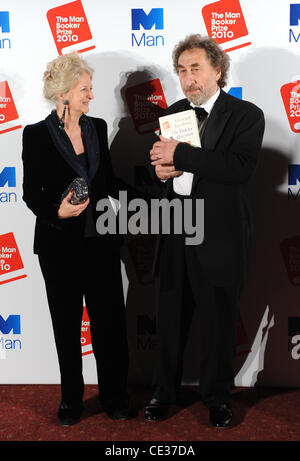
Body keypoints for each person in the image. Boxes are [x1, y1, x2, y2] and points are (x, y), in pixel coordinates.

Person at [144, 34, 265, 428]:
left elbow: (237, 169)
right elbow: (163, 170)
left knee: (217, 323)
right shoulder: (174, 112)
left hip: (219, 237)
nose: (188, 78)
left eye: (196, 68)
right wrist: (160, 168)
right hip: (175, 230)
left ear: (218, 69)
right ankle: (163, 394)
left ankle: (217, 399)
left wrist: (178, 153)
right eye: (181, 70)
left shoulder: (247, 115)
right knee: (168, 319)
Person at [22, 53, 132, 426]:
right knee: (66, 326)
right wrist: (57, 210)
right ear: (64, 93)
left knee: (110, 325)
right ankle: (71, 400)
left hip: (101, 242)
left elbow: (110, 183)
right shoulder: (35, 135)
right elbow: (30, 192)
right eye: (85, 89)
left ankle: (115, 396)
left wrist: (153, 188)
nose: (91, 95)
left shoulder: (97, 127)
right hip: (59, 247)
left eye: (90, 88)